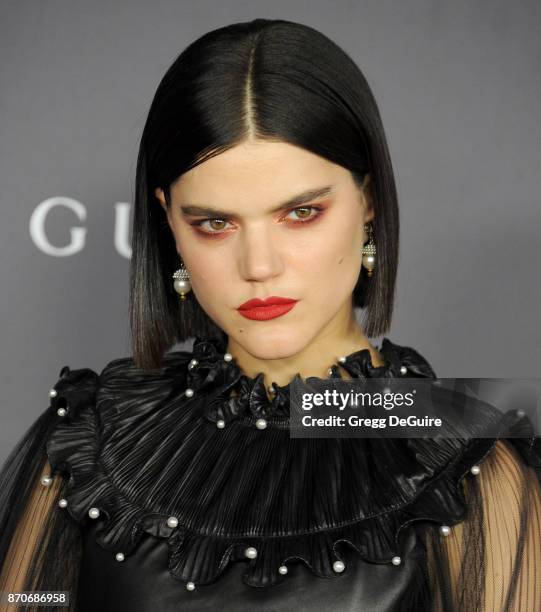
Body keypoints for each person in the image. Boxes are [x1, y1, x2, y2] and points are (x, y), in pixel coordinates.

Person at [1, 18, 540, 612]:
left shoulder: (463, 451)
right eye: (214, 223)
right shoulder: (92, 439)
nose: (258, 265)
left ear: (368, 202)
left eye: (301, 213)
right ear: (169, 223)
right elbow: (31, 600)